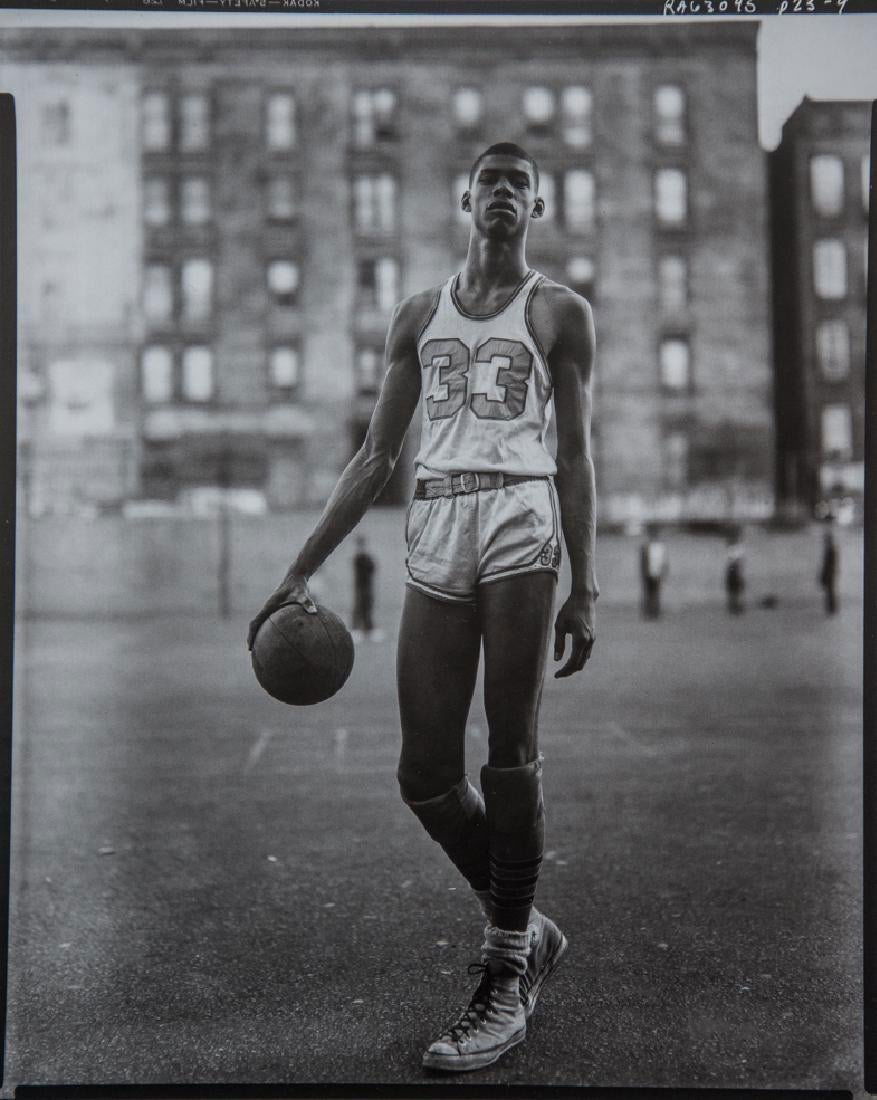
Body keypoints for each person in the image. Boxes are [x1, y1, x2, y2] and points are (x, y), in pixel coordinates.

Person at [248, 142, 597, 1073]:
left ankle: (503, 969)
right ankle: (531, 928)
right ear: (464, 199)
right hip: (437, 521)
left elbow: (574, 457)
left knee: (510, 753)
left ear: (537, 208)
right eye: (490, 182)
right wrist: (297, 568)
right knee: (425, 775)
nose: (503, 196)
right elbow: (372, 458)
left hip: (521, 519)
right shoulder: (416, 315)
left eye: (519, 186)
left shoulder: (560, 312)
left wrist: (586, 586)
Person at [351, 534, 377, 641]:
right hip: (361, 587)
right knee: (360, 606)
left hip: (367, 587)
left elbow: (373, 569)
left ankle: (368, 629)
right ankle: (357, 628)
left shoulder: (366, 558)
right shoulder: (359, 559)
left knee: (367, 606)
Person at [639, 525, 667, 619]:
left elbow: (664, 562)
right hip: (649, 573)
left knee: (656, 594)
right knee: (649, 593)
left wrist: (664, 572)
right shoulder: (646, 547)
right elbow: (643, 561)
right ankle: (649, 612)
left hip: (657, 573)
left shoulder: (660, 547)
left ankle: (655, 612)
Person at [819, 522, 839, 616]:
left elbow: (830, 564)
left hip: (830, 573)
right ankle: (831, 608)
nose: (824, 541)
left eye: (826, 540)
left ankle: (832, 608)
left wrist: (827, 574)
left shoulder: (831, 549)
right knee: (829, 591)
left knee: (830, 591)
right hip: (829, 573)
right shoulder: (830, 549)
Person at [725, 527, 746, 615]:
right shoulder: (735, 548)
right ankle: (734, 604)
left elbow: (737, 559)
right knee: (734, 587)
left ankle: (735, 604)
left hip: (734, 568)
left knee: (735, 587)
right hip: (733, 568)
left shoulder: (736, 548)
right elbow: (736, 559)